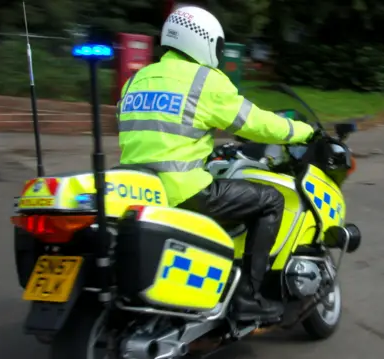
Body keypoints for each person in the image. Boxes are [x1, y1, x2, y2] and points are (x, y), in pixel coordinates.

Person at [116, 4, 315, 321]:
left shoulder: (137, 80)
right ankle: (249, 297)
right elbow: (255, 123)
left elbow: (160, 130)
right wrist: (303, 132)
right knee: (271, 200)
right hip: (185, 191)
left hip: (139, 189)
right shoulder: (204, 80)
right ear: (203, 41)